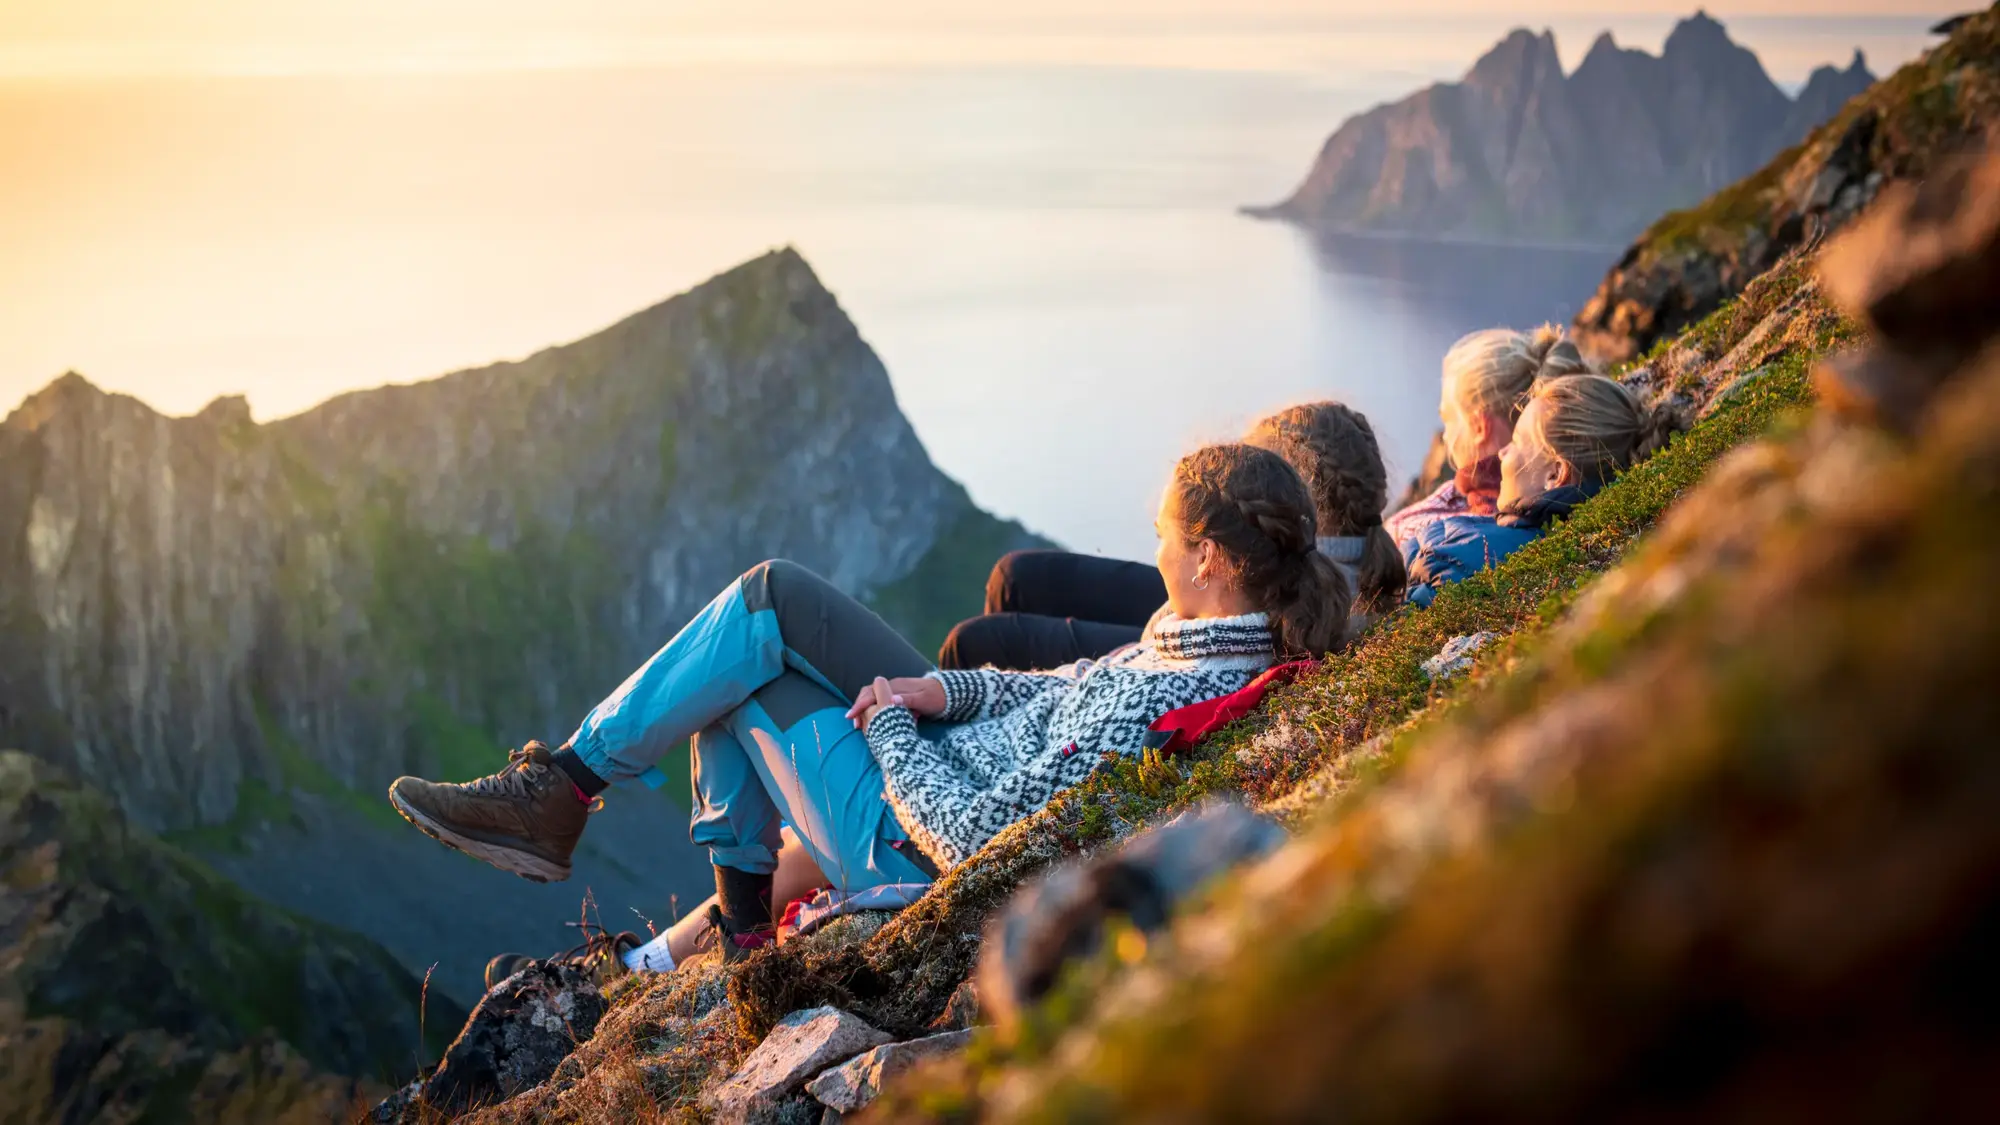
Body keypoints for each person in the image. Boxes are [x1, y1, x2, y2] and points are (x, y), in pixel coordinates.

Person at [388, 442, 1350, 964]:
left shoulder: (1174, 683)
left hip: (916, 839)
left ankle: (583, 807)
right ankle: (592, 808)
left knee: (740, 659)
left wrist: (891, 722)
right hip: (942, 759)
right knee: (757, 617)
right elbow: (1049, 690)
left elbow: (977, 836)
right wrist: (937, 688)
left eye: (1164, 536)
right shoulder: (1197, 645)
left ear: (1212, 560)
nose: (1153, 552)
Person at [940, 400, 1399, 672]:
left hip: (1223, 613)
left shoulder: (1312, 589)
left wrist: (1122, 663)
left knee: (979, 642)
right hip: (1220, 595)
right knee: (1015, 576)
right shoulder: (1356, 553)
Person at [1403, 374, 1677, 606]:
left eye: (1518, 442)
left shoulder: (1484, 556)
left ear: (1555, 474)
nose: (1502, 453)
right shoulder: (1531, 533)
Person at [1384, 325, 1593, 549]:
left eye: (1448, 418)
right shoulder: (1575, 491)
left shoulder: (1415, 533)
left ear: (1478, 427)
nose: (1445, 436)